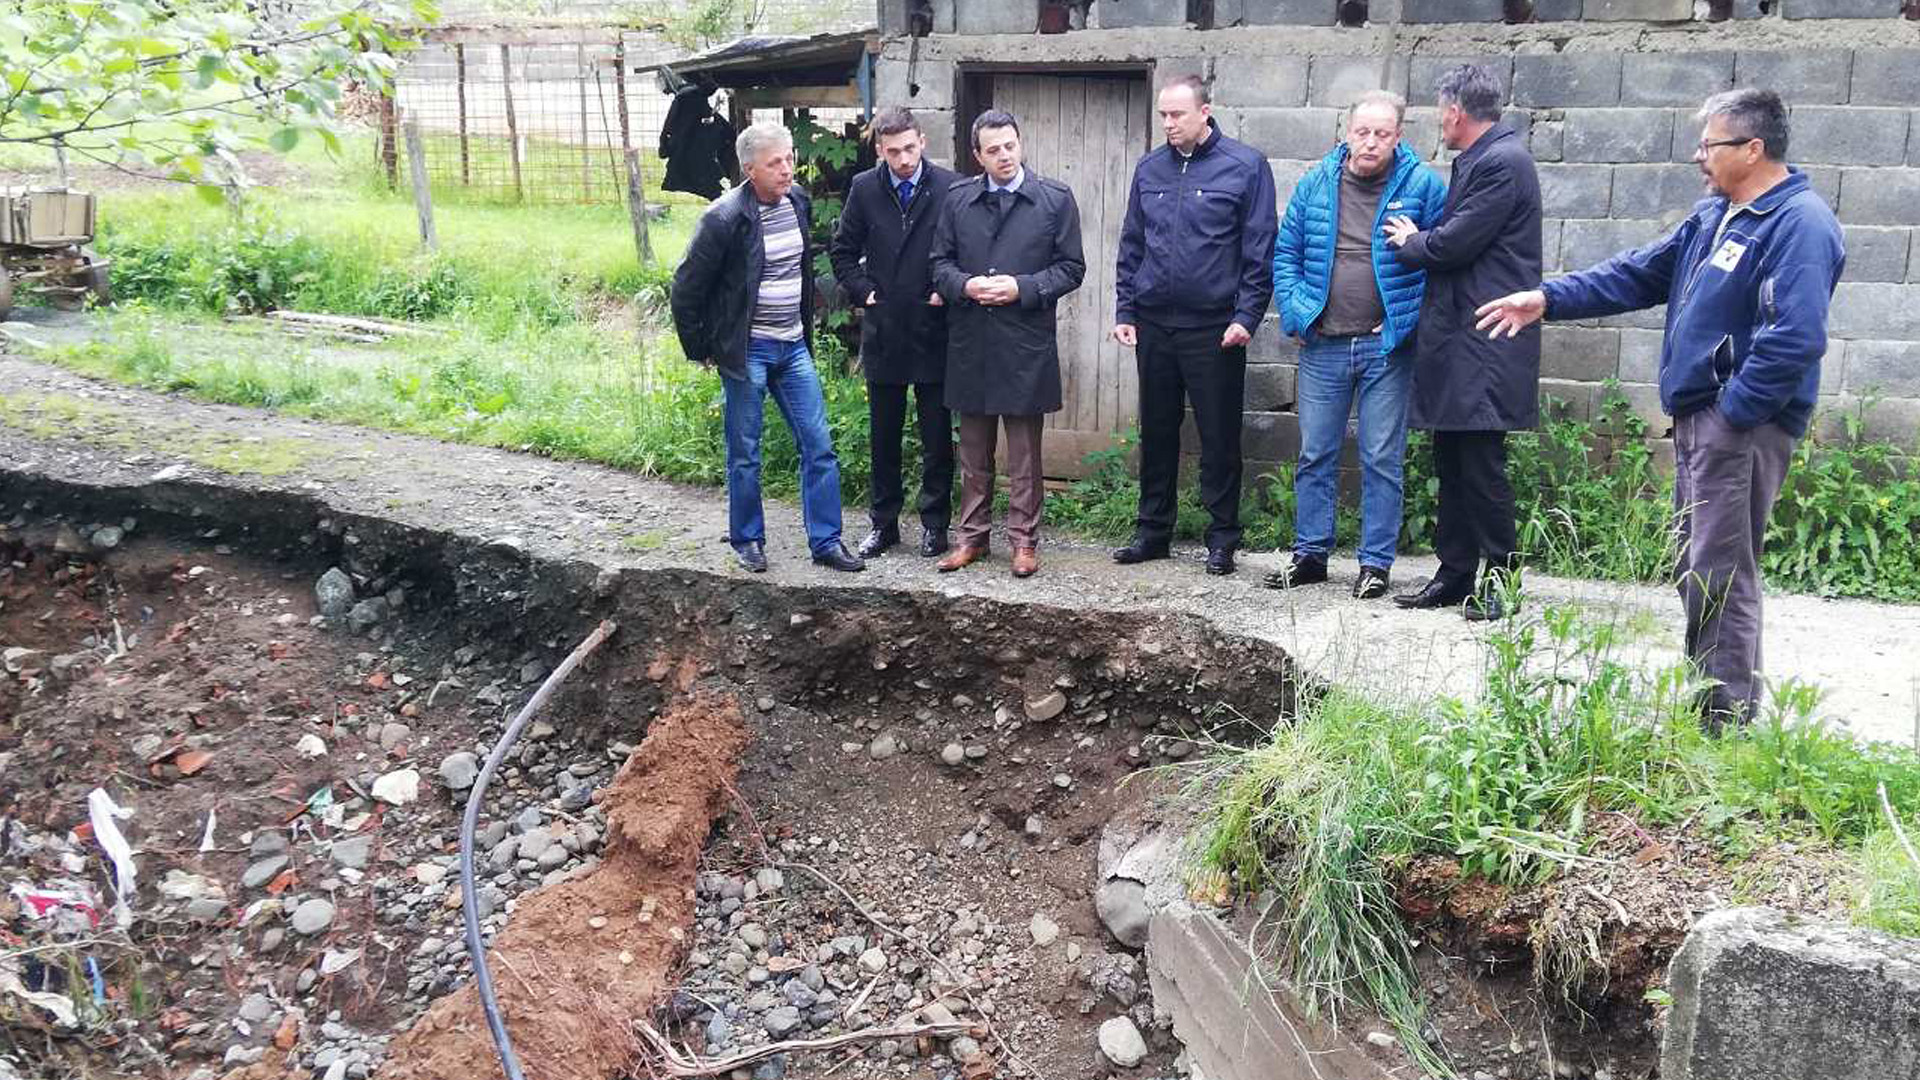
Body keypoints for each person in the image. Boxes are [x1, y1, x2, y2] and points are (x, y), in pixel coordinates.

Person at [1475, 88, 1844, 729]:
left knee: (1720, 569)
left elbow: (1795, 336)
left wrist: (1735, 412)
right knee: (1697, 563)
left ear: (1752, 149)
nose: (1698, 156)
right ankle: (1712, 701)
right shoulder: (1716, 215)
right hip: (1704, 416)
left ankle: (1725, 719)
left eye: (1710, 144)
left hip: (1739, 425)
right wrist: (1548, 298)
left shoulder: (1798, 223)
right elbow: (1639, 273)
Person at [1266, 88, 1447, 599]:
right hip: (1323, 344)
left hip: (1385, 350)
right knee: (1315, 454)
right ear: (1347, 133)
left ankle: (1375, 564)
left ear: (1398, 137)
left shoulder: (1422, 186)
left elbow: (1445, 258)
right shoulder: (1316, 183)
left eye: (1381, 134)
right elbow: (1286, 254)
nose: (1370, 142)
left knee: (1381, 458)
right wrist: (1299, 314)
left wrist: (1404, 321)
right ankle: (1310, 555)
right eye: (1362, 132)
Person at [670, 120, 865, 575]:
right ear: (749, 170)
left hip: (792, 347)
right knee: (745, 451)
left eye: (789, 158)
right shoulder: (723, 219)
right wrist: (701, 347)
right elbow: (686, 288)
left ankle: (826, 541)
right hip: (748, 350)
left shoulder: (797, 201)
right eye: (775, 163)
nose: (787, 169)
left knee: (818, 445)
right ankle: (748, 540)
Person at [1383, 63, 1542, 620]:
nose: (1438, 121)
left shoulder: (1503, 162)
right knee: (1451, 460)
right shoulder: (1481, 158)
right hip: (1461, 340)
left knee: (1480, 465)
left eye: (1439, 112)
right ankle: (1455, 575)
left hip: (1486, 341)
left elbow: (1454, 244)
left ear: (1455, 112)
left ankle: (1503, 580)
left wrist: (1413, 240)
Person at [1110, 75, 1278, 577]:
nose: (1168, 123)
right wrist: (1125, 310)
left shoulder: (1245, 166)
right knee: (1157, 431)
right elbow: (1132, 244)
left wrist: (1246, 317)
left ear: (1205, 111)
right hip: (1154, 325)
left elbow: (1259, 249)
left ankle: (1222, 538)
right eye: (1163, 115)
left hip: (1214, 329)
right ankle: (1152, 532)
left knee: (1219, 437)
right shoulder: (1150, 168)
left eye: (1177, 114)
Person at [928, 109, 1086, 579]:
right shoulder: (958, 200)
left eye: (1010, 146)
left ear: (1020, 144)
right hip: (971, 341)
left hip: (1024, 342)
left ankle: (1023, 542)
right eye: (993, 149)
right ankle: (972, 537)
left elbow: (1072, 268)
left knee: (1024, 454)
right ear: (977, 155)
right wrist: (965, 285)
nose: (1004, 156)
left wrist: (1023, 287)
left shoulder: (1054, 199)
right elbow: (938, 264)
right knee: (973, 450)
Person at [829, 106, 958, 560]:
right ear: (880, 151)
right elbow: (842, 251)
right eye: (892, 152)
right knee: (883, 437)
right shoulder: (866, 188)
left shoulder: (950, 187)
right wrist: (865, 292)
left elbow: (966, 250)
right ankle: (883, 524)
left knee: (936, 437)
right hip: (884, 328)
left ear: (922, 141)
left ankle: (935, 524)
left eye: (908, 149)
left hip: (933, 328)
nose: (903, 160)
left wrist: (946, 289)